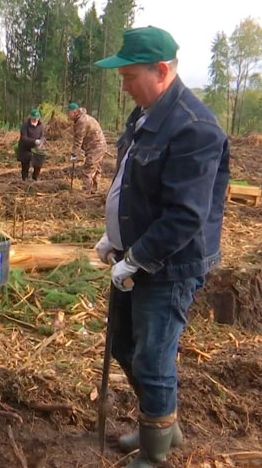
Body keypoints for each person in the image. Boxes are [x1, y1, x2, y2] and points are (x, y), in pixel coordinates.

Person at [93, 26, 229, 468]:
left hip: (167, 266)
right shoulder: (145, 115)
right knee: (126, 347)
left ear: (162, 71)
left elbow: (186, 216)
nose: (124, 84)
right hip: (133, 256)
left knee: (152, 357)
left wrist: (136, 258)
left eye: (130, 76)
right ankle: (163, 425)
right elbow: (133, 185)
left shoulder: (195, 129)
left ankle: (154, 456)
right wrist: (114, 239)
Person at [67, 103, 107, 193]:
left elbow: (78, 140)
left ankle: (86, 192)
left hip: (96, 147)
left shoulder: (82, 121)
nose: (68, 115)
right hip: (99, 146)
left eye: (69, 113)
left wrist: (74, 154)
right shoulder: (82, 118)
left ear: (75, 112)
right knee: (96, 169)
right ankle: (93, 190)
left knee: (88, 168)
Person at [17, 108, 45, 181]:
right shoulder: (25, 126)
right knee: (25, 165)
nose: (35, 120)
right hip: (25, 148)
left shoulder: (41, 126)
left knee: (38, 163)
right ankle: (25, 179)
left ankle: (35, 178)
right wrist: (34, 141)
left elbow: (42, 136)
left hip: (36, 149)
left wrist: (41, 143)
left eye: (37, 119)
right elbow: (24, 138)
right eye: (34, 119)